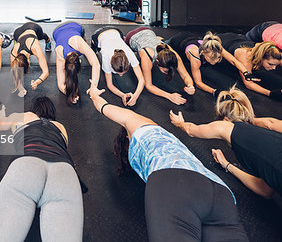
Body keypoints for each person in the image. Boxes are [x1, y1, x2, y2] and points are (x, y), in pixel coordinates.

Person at [87, 82, 248, 242]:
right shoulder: (150, 128)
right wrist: (95, 94)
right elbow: (103, 106)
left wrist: (93, 94)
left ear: (128, 141)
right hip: (217, 188)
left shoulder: (137, 138)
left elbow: (103, 106)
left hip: (172, 180)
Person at [0, 96, 83, 242]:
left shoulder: (23, 116)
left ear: (33, 109)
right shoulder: (60, 127)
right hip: (64, 172)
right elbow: (62, 147)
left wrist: (2, 115)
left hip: (28, 165)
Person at [170, 86, 282, 198]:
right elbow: (265, 190)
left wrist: (180, 123)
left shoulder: (226, 127)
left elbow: (190, 130)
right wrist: (226, 164)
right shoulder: (269, 129)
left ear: (225, 120)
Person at [168, 31, 258, 97]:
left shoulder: (215, 47)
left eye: (218, 58)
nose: (215, 62)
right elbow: (198, 83)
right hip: (177, 42)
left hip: (191, 35)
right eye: (211, 59)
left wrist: (246, 73)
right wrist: (215, 92)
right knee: (164, 44)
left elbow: (234, 61)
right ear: (203, 53)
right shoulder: (195, 58)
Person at [126, 27, 195, 105]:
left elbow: (185, 75)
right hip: (132, 36)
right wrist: (169, 96)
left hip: (148, 31)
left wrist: (190, 85)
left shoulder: (172, 54)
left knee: (159, 41)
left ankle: (158, 39)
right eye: (165, 70)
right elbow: (148, 85)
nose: (167, 72)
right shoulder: (147, 56)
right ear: (157, 62)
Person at [91, 26, 144, 106]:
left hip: (116, 31)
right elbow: (109, 85)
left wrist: (135, 96)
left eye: (123, 72)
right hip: (98, 34)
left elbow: (141, 79)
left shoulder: (130, 54)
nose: (121, 75)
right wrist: (122, 95)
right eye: (118, 72)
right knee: (94, 55)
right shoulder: (106, 58)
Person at [219, 33, 282, 99]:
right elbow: (248, 84)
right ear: (261, 58)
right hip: (223, 41)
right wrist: (271, 94)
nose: (274, 68)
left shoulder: (267, 49)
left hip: (237, 37)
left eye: (276, 65)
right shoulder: (245, 56)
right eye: (270, 64)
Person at [53, 22, 100, 104]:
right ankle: (88, 53)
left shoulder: (79, 43)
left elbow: (96, 64)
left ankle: (87, 47)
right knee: (87, 52)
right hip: (56, 31)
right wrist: (70, 95)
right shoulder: (60, 54)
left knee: (87, 48)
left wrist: (94, 86)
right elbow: (60, 84)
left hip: (74, 25)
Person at [11, 22, 50, 97]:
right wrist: (20, 88)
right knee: (16, 40)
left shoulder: (35, 47)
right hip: (18, 32)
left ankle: (48, 40)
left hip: (33, 27)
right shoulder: (14, 51)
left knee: (42, 36)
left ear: (29, 63)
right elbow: (15, 72)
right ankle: (16, 40)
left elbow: (46, 72)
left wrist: (37, 82)